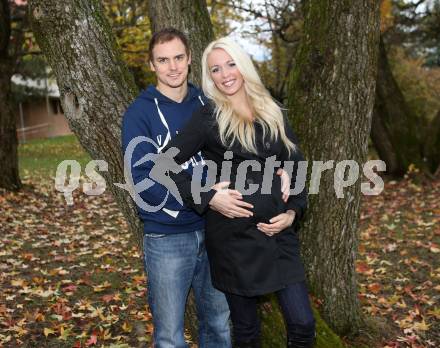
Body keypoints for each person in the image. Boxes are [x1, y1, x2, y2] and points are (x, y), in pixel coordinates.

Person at [154, 37, 317, 348]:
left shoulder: (273, 111)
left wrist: (293, 211)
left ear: (243, 67)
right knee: (246, 331)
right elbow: (162, 164)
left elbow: (296, 166)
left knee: (302, 324)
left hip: (279, 237)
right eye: (215, 69)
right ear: (209, 76)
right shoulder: (208, 118)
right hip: (234, 241)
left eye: (231, 64)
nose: (225, 74)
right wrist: (206, 196)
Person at [121, 28, 232, 348]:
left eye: (178, 58)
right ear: (151, 64)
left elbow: (232, 158)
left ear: (189, 59)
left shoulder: (208, 104)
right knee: (170, 337)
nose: (172, 67)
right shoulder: (139, 113)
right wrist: (207, 197)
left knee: (219, 325)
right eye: (163, 60)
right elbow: (144, 181)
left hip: (216, 231)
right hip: (167, 235)